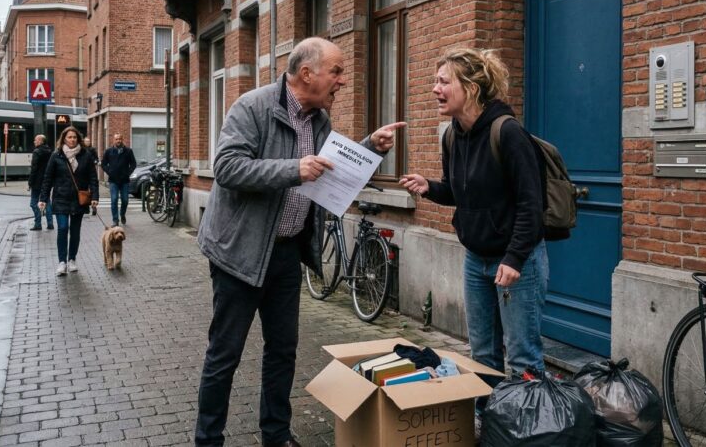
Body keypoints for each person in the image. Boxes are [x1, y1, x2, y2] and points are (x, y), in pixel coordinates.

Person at [194, 37, 405, 447]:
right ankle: (208, 440)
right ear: (306, 74)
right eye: (337, 72)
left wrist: (367, 148)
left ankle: (275, 435)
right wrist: (293, 169)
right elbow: (227, 168)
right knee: (225, 355)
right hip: (239, 253)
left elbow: (326, 168)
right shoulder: (253, 107)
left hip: (287, 254)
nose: (342, 81)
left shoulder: (319, 120)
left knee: (283, 351)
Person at [399, 48, 548, 408]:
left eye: (443, 81)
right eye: (435, 81)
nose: (434, 88)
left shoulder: (507, 132)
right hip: (476, 259)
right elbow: (458, 191)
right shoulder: (453, 135)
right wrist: (430, 187)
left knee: (523, 357)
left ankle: (531, 429)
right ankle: (490, 424)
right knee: (482, 354)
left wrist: (513, 258)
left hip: (517, 261)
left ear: (471, 87)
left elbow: (532, 204)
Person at [39, 127, 99, 276]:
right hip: (61, 198)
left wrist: (95, 197)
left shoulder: (86, 155)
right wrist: (43, 198)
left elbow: (93, 177)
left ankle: (72, 259)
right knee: (63, 228)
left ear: (78, 139)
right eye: (69, 137)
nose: (72, 140)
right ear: (64, 139)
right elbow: (48, 178)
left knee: (75, 231)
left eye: (74, 137)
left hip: (79, 199)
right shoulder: (56, 155)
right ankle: (62, 262)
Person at [101, 133, 137, 225]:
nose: (118, 141)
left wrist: (128, 173)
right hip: (113, 180)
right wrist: (110, 172)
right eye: (117, 139)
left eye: (120, 139)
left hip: (124, 180)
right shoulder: (108, 151)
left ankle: (122, 214)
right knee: (114, 199)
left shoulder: (128, 151)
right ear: (114, 140)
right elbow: (103, 164)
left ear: (122, 139)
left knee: (125, 200)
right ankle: (115, 220)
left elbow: (133, 164)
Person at [28, 134, 54, 231]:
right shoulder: (50, 152)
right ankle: (50, 223)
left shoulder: (37, 152)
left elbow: (34, 168)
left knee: (33, 202)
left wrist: (30, 182)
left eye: (36, 140)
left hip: (37, 182)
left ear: (41, 141)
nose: (34, 142)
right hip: (47, 181)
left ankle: (38, 223)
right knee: (47, 202)